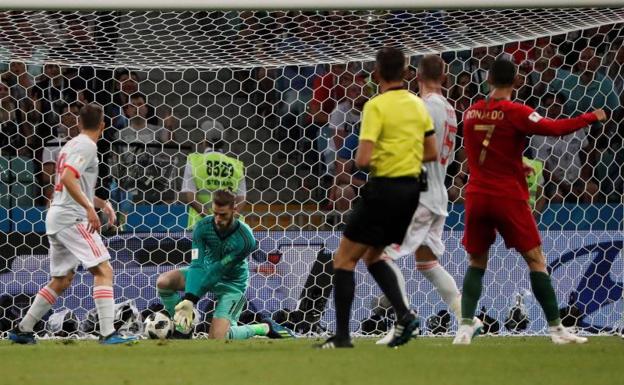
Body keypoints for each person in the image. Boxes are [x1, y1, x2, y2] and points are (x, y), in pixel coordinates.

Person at [454, 58, 606, 345]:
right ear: (516, 81)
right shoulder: (516, 111)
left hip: (476, 195)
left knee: (476, 261)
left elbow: (482, 151)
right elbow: (554, 128)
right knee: (536, 260)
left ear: (488, 81)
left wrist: (515, 165)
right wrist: (591, 117)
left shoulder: (470, 113)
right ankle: (557, 330)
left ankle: (464, 327)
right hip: (506, 196)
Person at [317, 47, 438, 349]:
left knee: (344, 259)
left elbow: (362, 159)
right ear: (406, 72)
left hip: (384, 187)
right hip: (411, 192)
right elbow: (432, 152)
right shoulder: (417, 104)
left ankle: (343, 337)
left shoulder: (376, 106)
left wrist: (387, 155)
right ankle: (405, 314)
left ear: (377, 73)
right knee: (373, 257)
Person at [9, 104, 138, 345]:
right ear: (103, 125)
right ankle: (108, 333)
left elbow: (74, 184)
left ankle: (23, 329)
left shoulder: (71, 144)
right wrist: (90, 209)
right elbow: (68, 177)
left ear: (79, 123)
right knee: (103, 270)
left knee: (62, 279)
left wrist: (101, 203)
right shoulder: (86, 146)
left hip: (58, 216)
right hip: (72, 217)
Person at [375, 55, 470, 344]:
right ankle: (467, 318)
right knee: (426, 261)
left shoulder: (423, 106)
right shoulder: (451, 110)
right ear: (445, 77)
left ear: (416, 76)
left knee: (382, 256)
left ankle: (404, 320)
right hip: (438, 188)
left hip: (419, 191)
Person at [156, 189, 295, 340]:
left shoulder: (245, 239)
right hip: (204, 273)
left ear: (234, 210)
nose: (217, 219)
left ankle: (263, 327)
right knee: (164, 282)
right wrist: (189, 301)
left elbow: (218, 270)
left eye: (223, 215)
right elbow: (197, 265)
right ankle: (184, 327)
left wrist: (191, 299)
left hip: (232, 284)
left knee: (217, 338)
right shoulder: (203, 227)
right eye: (215, 213)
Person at [180, 120, 246, 229]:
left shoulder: (194, 161)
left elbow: (191, 198)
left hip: (200, 226)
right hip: (231, 228)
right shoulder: (236, 164)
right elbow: (242, 200)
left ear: (204, 140)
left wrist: (213, 221)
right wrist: (227, 221)